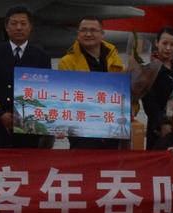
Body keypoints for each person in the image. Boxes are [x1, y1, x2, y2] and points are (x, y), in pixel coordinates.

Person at [0, 6, 50, 149]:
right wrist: (0, 114)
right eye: (14, 23)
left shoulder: (41, 56)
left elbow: (46, 91)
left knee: (27, 168)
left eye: (23, 24)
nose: (18, 28)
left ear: (30, 27)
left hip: (29, 125)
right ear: (6, 27)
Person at [55, 16, 129, 151]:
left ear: (102, 34)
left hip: (111, 126)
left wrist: (131, 110)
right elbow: (63, 98)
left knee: (109, 167)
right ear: (78, 34)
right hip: (82, 129)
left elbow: (124, 91)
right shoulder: (66, 62)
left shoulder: (114, 58)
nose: (88, 34)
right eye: (83, 30)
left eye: (93, 30)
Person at [132, 28, 173, 149]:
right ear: (156, 43)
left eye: (172, 44)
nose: (168, 48)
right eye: (165, 43)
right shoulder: (149, 70)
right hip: (158, 128)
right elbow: (149, 103)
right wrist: (163, 124)